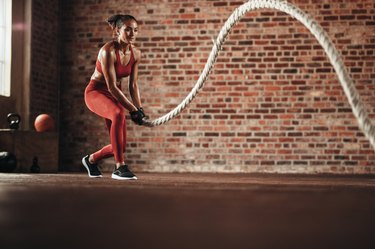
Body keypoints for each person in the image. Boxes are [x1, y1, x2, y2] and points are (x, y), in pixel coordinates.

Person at [82, 14, 147, 180]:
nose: (132, 34)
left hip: (113, 95)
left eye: (135, 30)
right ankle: (119, 167)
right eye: (128, 30)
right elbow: (111, 86)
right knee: (119, 112)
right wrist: (132, 110)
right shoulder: (107, 51)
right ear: (118, 31)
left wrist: (139, 109)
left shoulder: (136, 54)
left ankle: (91, 160)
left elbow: (133, 85)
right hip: (96, 92)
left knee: (119, 146)